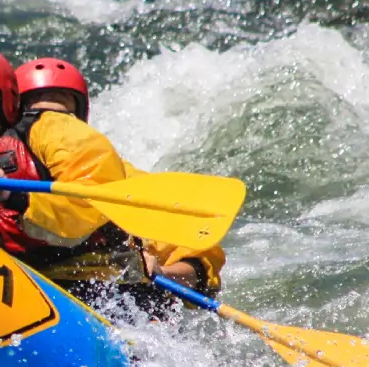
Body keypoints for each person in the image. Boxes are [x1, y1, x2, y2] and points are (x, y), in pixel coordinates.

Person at [0, 47, 220, 311]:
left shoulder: (114, 174)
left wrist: (163, 272)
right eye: (36, 107)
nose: (54, 119)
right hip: (15, 290)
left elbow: (201, 260)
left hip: (100, 291)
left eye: (63, 109)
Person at [13, 54, 226, 295]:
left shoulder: (125, 180)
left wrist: (162, 272)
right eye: (35, 115)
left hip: (113, 299)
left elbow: (202, 267)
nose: (51, 125)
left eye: (63, 117)